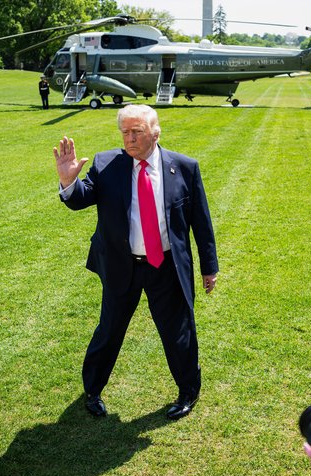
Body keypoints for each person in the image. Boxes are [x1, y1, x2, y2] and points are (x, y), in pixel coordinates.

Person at [54, 104, 219, 420]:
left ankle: (188, 391)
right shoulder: (107, 164)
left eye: (136, 132)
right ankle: (92, 390)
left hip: (166, 266)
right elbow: (79, 200)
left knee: (178, 331)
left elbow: (201, 220)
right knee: (109, 330)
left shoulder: (184, 167)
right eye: (124, 132)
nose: (129, 139)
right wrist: (68, 182)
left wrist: (209, 267)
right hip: (122, 265)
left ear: (155, 132)